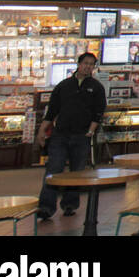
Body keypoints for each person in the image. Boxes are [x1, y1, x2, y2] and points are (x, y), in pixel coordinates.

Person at [36, 52, 105, 220]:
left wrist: (90, 130)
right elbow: (52, 110)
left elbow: (98, 111)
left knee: (77, 172)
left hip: (82, 136)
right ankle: (46, 207)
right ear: (78, 64)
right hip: (60, 135)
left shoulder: (96, 87)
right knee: (54, 170)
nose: (88, 66)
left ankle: (70, 204)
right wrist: (42, 130)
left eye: (91, 64)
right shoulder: (64, 85)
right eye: (85, 63)